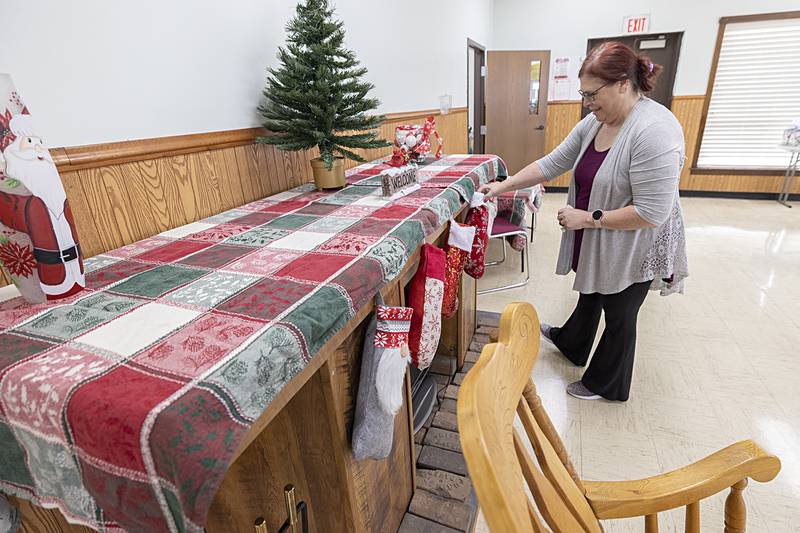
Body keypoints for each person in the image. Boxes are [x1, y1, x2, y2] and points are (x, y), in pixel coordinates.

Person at [479, 42, 688, 402]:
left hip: (637, 240)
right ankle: (573, 342)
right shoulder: (596, 122)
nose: (587, 103)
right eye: (583, 95)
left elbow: (652, 213)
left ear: (623, 83)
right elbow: (552, 163)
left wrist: (588, 218)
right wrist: (504, 186)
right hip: (600, 230)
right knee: (592, 289)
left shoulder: (655, 131)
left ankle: (607, 384)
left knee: (620, 311)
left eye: (593, 94)